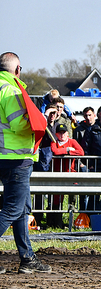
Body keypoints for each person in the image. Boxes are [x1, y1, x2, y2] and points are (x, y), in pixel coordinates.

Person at [0, 51, 52, 274]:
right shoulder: (10, 90)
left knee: (21, 210)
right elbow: (19, 124)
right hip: (16, 158)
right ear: (17, 69)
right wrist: (39, 121)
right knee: (13, 209)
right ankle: (27, 258)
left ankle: (27, 258)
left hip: (5, 156)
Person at [49, 124, 84, 228]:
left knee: (72, 201)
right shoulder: (54, 142)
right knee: (57, 200)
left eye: (64, 132)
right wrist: (68, 150)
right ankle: (57, 223)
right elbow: (55, 151)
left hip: (71, 175)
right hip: (57, 175)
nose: (62, 134)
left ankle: (71, 223)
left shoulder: (72, 141)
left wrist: (67, 151)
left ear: (67, 133)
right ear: (56, 134)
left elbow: (81, 152)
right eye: (60, 133)